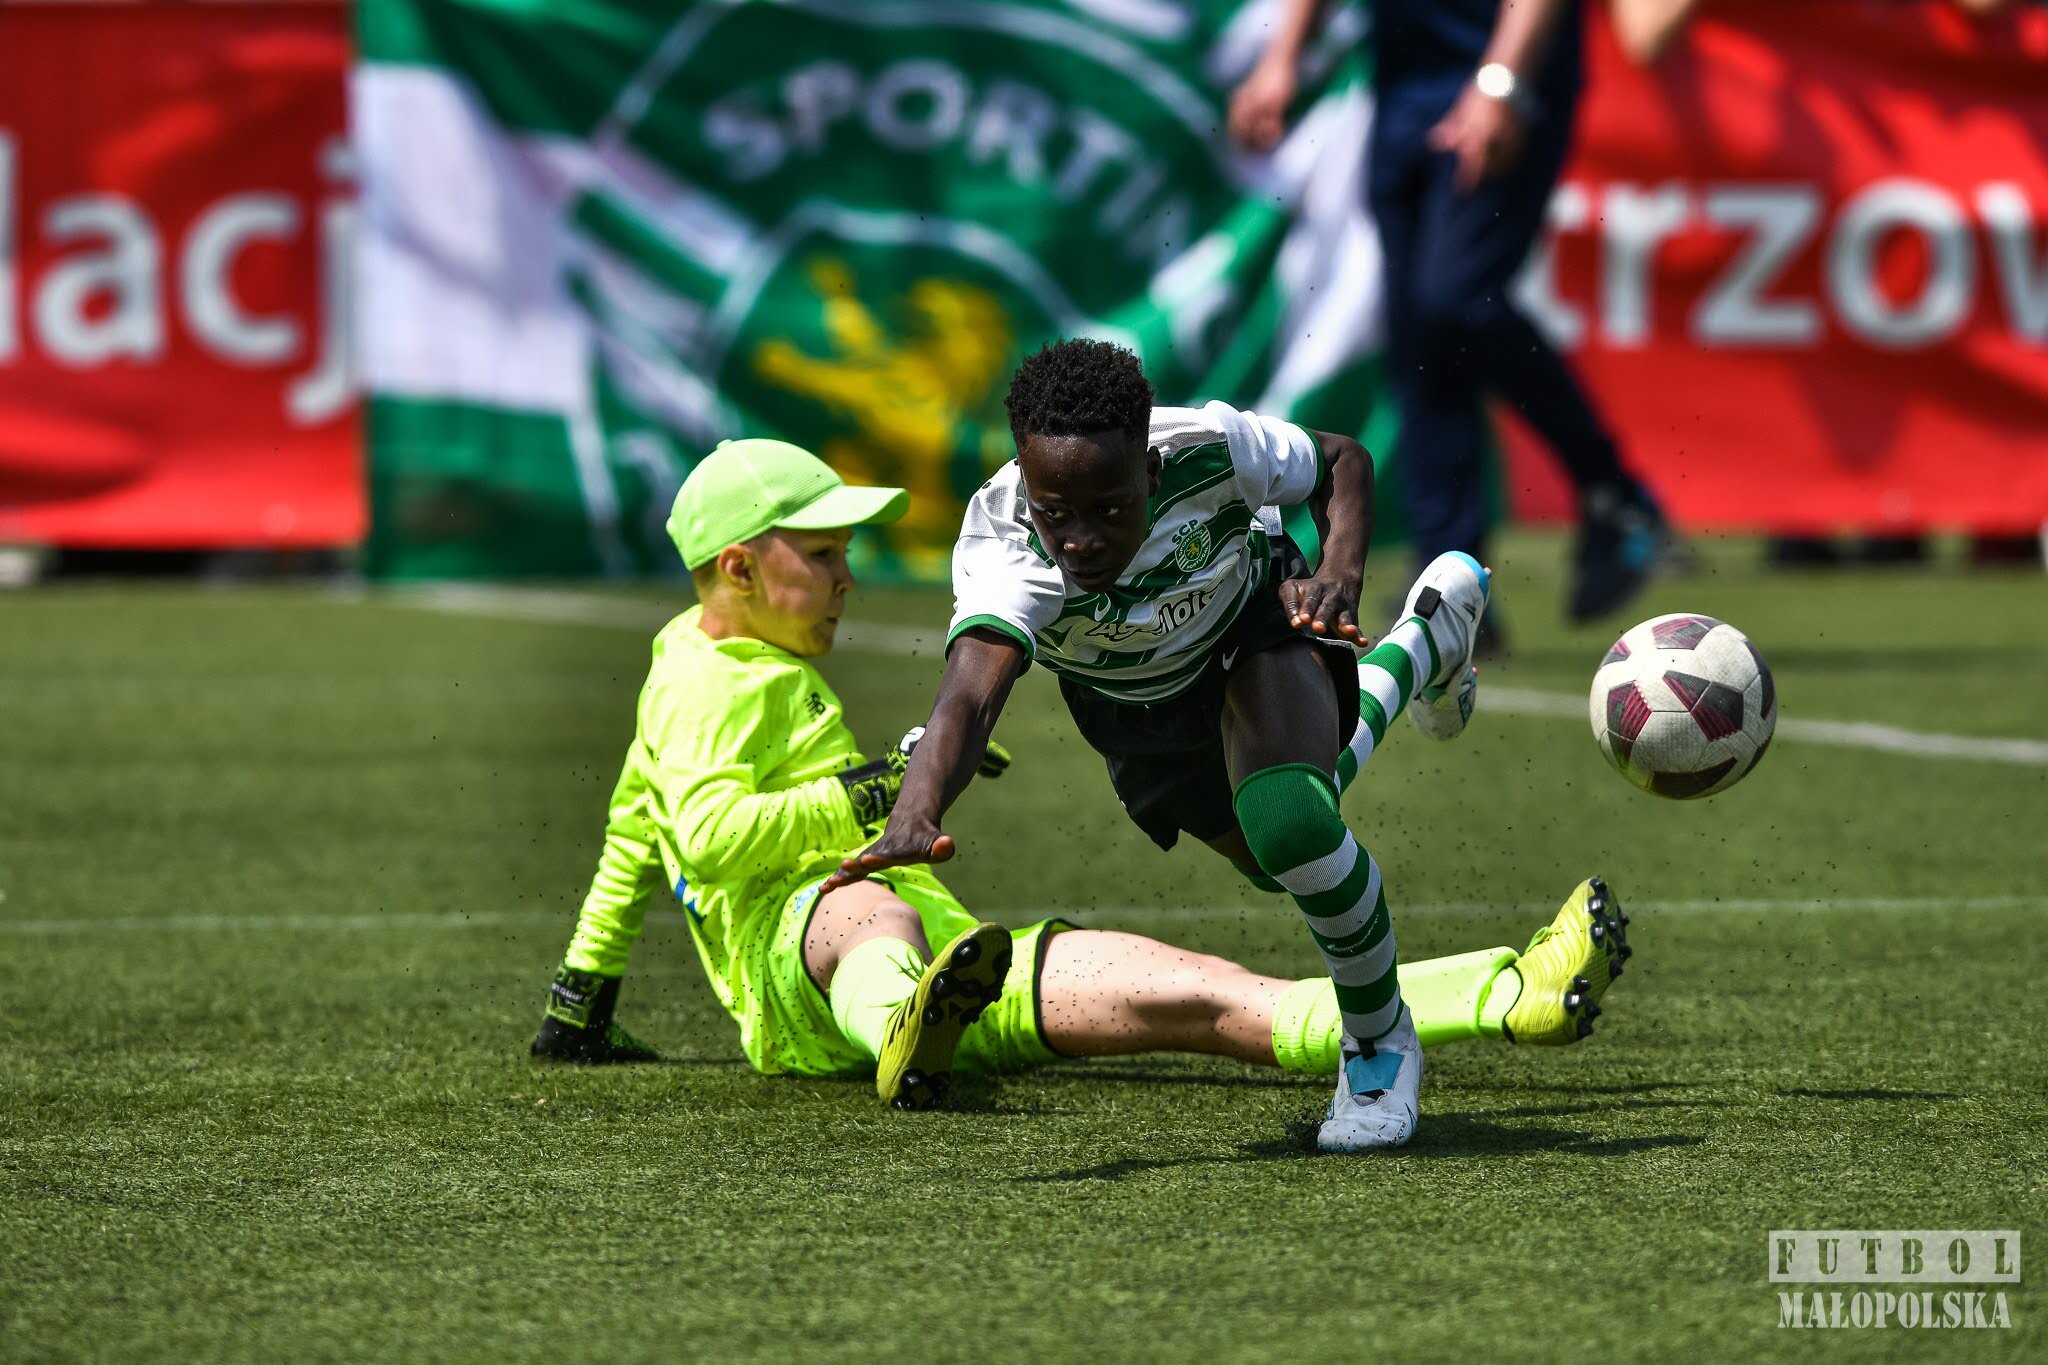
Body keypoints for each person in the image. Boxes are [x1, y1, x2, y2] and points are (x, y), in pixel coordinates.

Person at [531, 435, 1631, 1124]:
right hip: (806, 969)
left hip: (963, 960)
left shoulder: (693, 666)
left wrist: (583, 997)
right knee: (856, 914)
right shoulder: (711, 682)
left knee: (1216, 996)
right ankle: (898, 1023)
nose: (845, 576)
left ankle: (1508, 994)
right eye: (820, 555)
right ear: (737, 567)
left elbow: (634, 829)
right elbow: (707, 840)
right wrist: (881, 792)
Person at [827, 340, 1626, 1152]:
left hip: (1257, 622)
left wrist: (1340, 573)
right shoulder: (1005, 549)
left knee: (1291, 823)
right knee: (1281, 856)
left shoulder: (1209, 447)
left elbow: (1342, 461)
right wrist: (917, 810)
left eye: (1109, 509)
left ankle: (1378, 1042)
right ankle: (1423, 641)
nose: (1080, 539)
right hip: (1138, 715)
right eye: (1055, 511)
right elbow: (968, 696)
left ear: (1149, 470)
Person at [1229, 0, 1670, 628]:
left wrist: (1501, 83)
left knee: (1457, 300)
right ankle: (1451, 582)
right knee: (1419, 338)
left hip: (1505, 76)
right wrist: (1282, 59)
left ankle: (1615, 492)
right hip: (1406, 84)